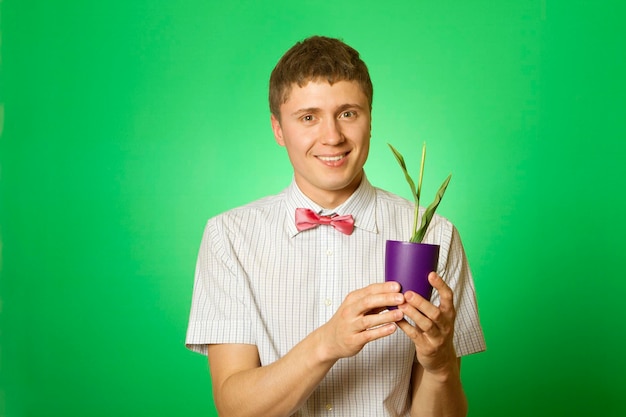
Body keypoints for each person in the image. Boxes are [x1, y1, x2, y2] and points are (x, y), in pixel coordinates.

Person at [186, 35, 486, 417]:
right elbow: (235, 409)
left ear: (370, 120)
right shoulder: (228, 238)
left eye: (348, 113)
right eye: (308, 117)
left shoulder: (434, 236)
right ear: (278, 130)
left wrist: (440, 367)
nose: (332, 137)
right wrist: (328, 342)